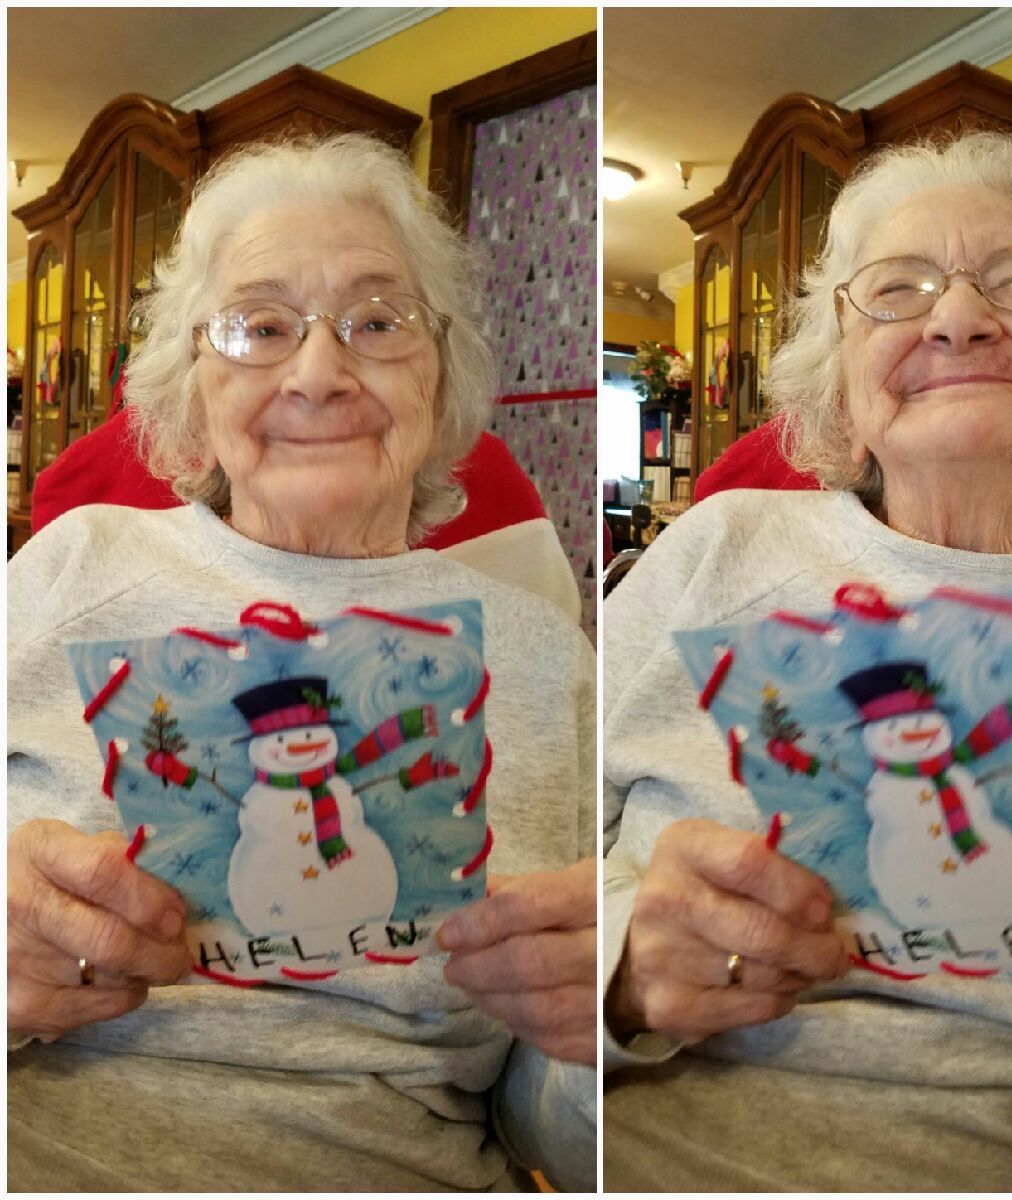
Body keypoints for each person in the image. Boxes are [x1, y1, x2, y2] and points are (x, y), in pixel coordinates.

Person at [603, 131, 1012, 1192]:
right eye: (898, 290)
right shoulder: (715, 551)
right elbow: (523, 848)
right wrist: (613, 965)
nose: (959, 317)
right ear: (839, 380)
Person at [8, 133, 596, 1193]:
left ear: (442, 371)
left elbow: (554, 1136)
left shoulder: (543, 655)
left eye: (377, 323)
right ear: (192, 381)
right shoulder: (70, 573)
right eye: (261, 327)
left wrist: (606, 1028)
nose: (320, 374)